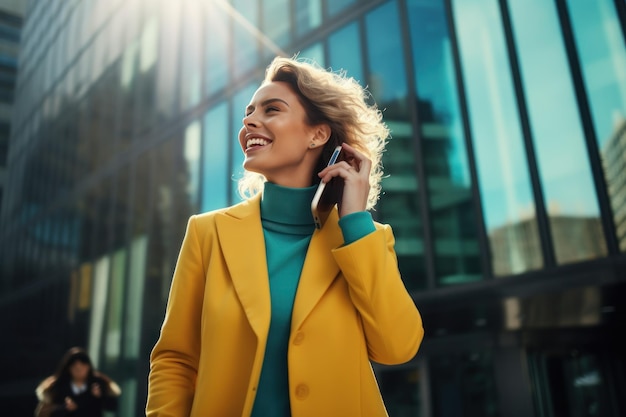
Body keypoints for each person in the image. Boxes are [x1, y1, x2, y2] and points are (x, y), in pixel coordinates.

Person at [146, 56, 424, 417]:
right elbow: (176, 359)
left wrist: (355, 220)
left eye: (271, 109)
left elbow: (397, 347)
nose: (249, 121)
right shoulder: (207, 233)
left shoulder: (364, 241)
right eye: (249, 112)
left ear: (317, 134)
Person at [34, 347, 121, 417]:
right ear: (69, 368)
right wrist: (64, 408)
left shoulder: (99, 383)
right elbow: (43, 413)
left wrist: (99, 397)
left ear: (88, 367)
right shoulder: (56, 387)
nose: (79, 370)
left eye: (82, 367)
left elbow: (113, 407)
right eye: (75, 368)